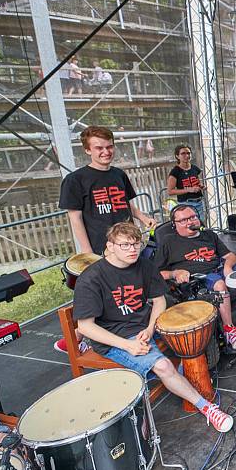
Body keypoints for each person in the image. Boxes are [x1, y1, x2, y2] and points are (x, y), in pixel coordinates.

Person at [73, 223, 233, 432]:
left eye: (136, 244)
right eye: (125, 245)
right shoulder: (92, 277)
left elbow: (159, 301)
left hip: (145, 326)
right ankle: (207, 407)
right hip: (117, 337)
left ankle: (182, 378)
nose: (132, 250)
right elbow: (85, 327)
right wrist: (127, 346)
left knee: (194, 327)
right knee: (164, 366)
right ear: (110, 246)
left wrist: (150, 329)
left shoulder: (144, 266)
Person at [56, 125, 156, 353]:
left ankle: (100, 335)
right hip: (102, 249)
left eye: (109, 146)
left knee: (129, 288)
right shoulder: (75, 180)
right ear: (87, 150)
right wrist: (87, 252)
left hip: (126, 242)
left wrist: (141, 216)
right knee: (98, 295)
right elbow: (75, 217)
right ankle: (76, 339)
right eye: (99, 147)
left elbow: (127, 202)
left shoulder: (119, 174)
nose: (106, 151)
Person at [154, 205, 236, 347]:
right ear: (175, 225)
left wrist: (228, 266)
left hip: (219, 269)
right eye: (183, 220)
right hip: (197, 280)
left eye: (193, 217)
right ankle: (229, 329)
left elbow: (230, 255)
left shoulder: (209, 235)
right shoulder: (168, 242)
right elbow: (156, 274)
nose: (190, 222)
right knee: (219, 284)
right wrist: (175, 273)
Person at [167, 145, 204, 220]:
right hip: (186, 203)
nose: (186, 155)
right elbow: (170, 191)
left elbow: (196, 182)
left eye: (188, 153)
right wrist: (188, 190)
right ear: (177, 156)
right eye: (183, 153)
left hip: (199, 202)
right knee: (190, 227)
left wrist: (200, 186)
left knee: (201, 226)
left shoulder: (194, 168)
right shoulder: (175, 171)